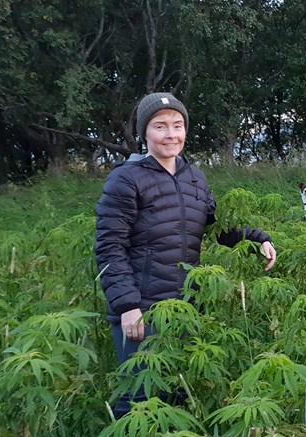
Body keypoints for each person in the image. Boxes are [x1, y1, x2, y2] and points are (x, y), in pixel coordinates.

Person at [95, 92, 276, 418]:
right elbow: (110, 246)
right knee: (139, 401)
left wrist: (257, 239)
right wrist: (127, 306)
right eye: (160, 126)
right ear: (145, 133)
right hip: (143, 310)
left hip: (185, 307)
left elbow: (216, 226)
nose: (171, 134)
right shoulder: (126, 179)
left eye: (177, 125)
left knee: (178, 393)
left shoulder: (194, 177)